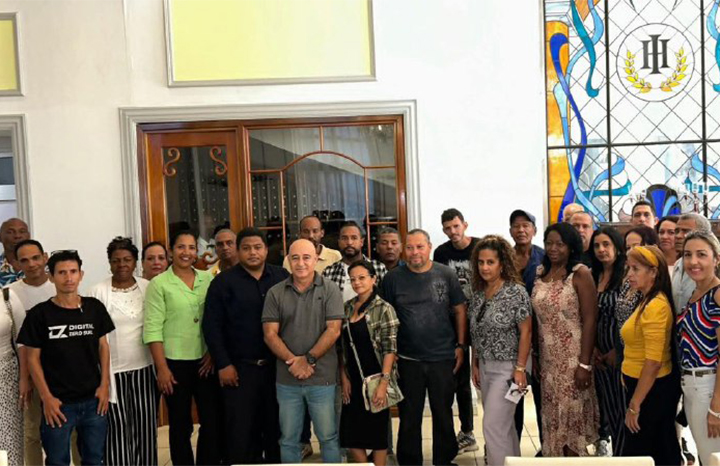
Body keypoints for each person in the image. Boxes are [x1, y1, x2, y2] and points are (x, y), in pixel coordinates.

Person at [17, 250, 115, 466]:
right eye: (62, 272)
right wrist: (46, 398)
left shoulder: (94, 308)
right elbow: (32, 359)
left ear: (81, 274)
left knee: (94, 459)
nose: (68, 277)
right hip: (58, 403)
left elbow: (104, 347)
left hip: (93, 400)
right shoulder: (39, 314)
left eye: (73, 271)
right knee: (57, 461)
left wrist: (104, 386)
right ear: (51, 277)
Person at [381, 229, 468, 466]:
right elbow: (385, 317)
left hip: (443, 357)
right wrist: (390, 353)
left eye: (420, 247)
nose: (415, 252)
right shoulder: (392, 279)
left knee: (443, 412)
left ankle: (444, 460)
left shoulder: (446, 274)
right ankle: (410, 461)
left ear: (429, 247)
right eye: (410, 247)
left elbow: (460, 309)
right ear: (404, 250)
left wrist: (461, 345)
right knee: (409, 415)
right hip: (407, 359)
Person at [203, 227, 289, 464]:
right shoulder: (223, 283)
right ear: (238, 251)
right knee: (240, 433)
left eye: (258, 247)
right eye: (246, 248)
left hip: (277, 368)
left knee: (276, 429)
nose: (253, 253)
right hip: (239, 370)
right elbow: (212, 327)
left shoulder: (281, 277)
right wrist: (223, 364)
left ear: (266, 250)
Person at [143, 230, 223, 466]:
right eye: (181, 247)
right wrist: (162, 368)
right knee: (180, 424)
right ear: (171, 251)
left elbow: (217, 319)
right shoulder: (159, 284)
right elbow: (153, 329)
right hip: (174, 364)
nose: (186, 252)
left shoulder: (208, 278)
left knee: (211, 420)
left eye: (191, 247)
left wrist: (213, 352)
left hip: (205, 361)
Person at [262, 238, 344, 464]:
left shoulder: (330, 289)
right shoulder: (275, 292)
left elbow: (334, 330)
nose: (301, 263)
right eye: (295, 258)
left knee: (328, 437)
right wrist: (294, 361)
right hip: (287, 380)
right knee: (288, 439)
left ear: (316, 259)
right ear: (288, 260)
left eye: (306, 257)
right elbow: (270, 334)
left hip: (322, 379)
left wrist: (308, 360)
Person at [532, 222, 599, 456]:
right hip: (549, 362)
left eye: (560, 244)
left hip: (573, 360)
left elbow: (590, 320)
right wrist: (535, 355)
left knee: (572, 421)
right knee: (553, 420)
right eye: (549, 243)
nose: (553, 248)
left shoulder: (579, 274)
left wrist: (584, 364)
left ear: (571, 247)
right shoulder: (541, 273)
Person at [90, 237, 158, 466]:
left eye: (127, 260)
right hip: (112, 373)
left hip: (145, 370)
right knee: (117, 432)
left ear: (135, 262)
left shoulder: (148, 288)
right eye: (116, 260)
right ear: (109, 263)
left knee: (146, 428)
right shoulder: (97, 292)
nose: (121, 265)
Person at [468, 235, 532, 465]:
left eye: (490, 262)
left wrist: (520, 369)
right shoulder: (478, 292)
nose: (484, 267)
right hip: (485, 367)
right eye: (481, 262)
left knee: (493, 426)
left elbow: (526, 332)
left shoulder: (516, 292)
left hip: (509, 369)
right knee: (503, 426)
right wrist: (475, 363)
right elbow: (476, 332)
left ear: (502, 263)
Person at [621, 245, 681, 464]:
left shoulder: (656, 306)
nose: (629, 275)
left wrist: (635, 404)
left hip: (650, 392)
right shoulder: (647, 299)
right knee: (656, 448)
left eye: (635, 269)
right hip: (645, 388)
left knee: (645, 453)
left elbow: (653, 362)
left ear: (653, 272)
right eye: (629, 268)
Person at [339, 260, 400, 466]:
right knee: (350, 433)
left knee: (377, 433)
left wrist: (383, 383)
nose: (357, 283)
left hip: (375, 377)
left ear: (373, 279)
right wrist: (344, 377)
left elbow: (390, 349)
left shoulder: (384, 308)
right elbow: (342, 348)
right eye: (353, 279)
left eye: (362, 278)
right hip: (353, 378)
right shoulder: (347, 307)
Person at [7, 239, 58, 466]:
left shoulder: (60, 285)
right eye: (25, 260)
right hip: (30, 372)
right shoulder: (10, 294)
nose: (32, 264)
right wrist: (24, 378)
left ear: (45, 258)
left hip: (64, 372)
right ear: (16, 264)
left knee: (72, 431)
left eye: (36, 258)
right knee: (31, 432)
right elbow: (18, 340)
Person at [432, 208, 478, 452]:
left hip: (480, 318)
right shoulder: (441, 252)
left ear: (465, 225)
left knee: (481, 378)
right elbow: (439, 287)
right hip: (453, 322)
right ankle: (466, 432)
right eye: (448, 228)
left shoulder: (480, 246)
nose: (452, 231)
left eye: (456, 226)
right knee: (458, 379)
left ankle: (476, 432)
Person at [677, 230, 720, 466]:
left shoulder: (717, 294)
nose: (693, 261)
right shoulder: (695, 293)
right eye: (687, 255)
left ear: (716, 259)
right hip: (692, 387)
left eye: (701, 255)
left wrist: (716, 407)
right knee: (705, 458)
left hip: (709, 387)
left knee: (712, 458)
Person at [588, 227, 628, 456]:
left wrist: (618, 350)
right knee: (609, 410)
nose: (601, 250)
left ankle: (626, 456)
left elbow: (630, 317)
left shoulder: (626, 276)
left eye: (606, 244)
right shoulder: (593, 276)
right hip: (599, 354)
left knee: (623, 411)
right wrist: (593, 348)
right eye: (596, 246)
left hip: (621, 354)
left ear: (617, 248)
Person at [508, 209, 544, 443]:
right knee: (513, 395)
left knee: (542, 398)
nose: (521, 230)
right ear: (510, 231)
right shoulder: (504, 258)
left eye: (526, 225)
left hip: (540, 339)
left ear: (534, 230)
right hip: (512, 341)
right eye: (516, 226)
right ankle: (512, 448)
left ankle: (545, 448)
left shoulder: (544, 258)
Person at [323, 221, 387, 302]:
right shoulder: (329, 272)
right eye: (344, 238)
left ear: (361, 242)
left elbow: (386, 299)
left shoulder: (378, 268)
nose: (349, 243)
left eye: (354, 238)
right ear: (339, 242)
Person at [0, 281, 24, 466]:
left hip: (7, 379)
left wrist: (25, 379)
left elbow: (22, 342)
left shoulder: (6, 297)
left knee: (9, 444)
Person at [673, 213, 713, 314]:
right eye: (676, 231)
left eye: (686, 231)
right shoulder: (677, 264)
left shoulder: (712, 266)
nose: (678, 236)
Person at [0, 218, 30, 286]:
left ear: (29, 236)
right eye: (10, 232)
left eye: (22, 231)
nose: (17, 236)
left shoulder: (42, 267)